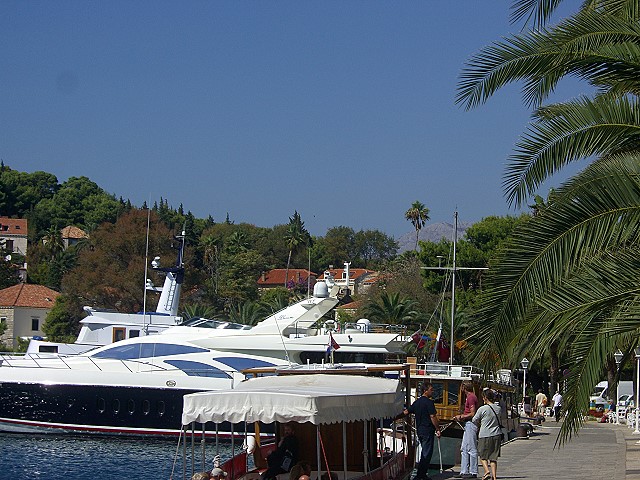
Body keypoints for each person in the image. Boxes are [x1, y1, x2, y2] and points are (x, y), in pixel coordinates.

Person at [395, 381, 441, 480]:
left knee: (424, 451)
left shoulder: (417, 402)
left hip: (420, 430)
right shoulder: (429, 403)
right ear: (425, 391)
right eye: (431, 390)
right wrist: (438, 429)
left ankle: (421, 474)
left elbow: (406, 412)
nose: (432, 392)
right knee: (426, 453)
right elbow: (433, 416)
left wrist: (395, 417)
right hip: (428, 430)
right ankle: (421, 475)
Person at [472, 389, 502, 480]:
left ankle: (487, 471)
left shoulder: (482, 409)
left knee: (482, 455)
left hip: (485, 434)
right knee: (493, 457)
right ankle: (494, 477)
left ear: (485, 398)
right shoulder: (498, 408)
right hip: (496, 434)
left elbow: (474, 419)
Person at [453, 382, 479, 479]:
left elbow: (472, 413)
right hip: (467, 424)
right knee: (464, 448)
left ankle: (473, 471)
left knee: (472, 448)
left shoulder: (471, 397)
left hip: (470, 424)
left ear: (464, 388)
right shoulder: (469, 397)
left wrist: (461, 416)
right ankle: (464, 471)